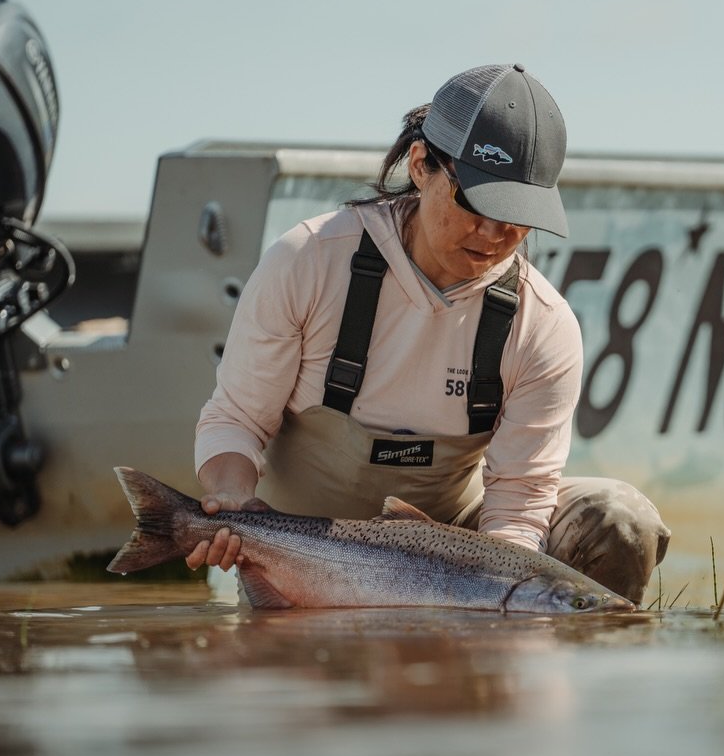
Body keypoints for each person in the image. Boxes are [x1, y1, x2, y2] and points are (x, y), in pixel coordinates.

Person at [187, 63, 669, 603]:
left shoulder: (545, 327)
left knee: (622, 521)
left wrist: (497, 602)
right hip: (301, 545)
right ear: (421, 166)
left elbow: (517, 507)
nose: (493, 235)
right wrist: (229, 501)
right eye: (478, 203)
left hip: (458, 546)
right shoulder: (308, 261)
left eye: (517, 214)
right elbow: (235, 420)